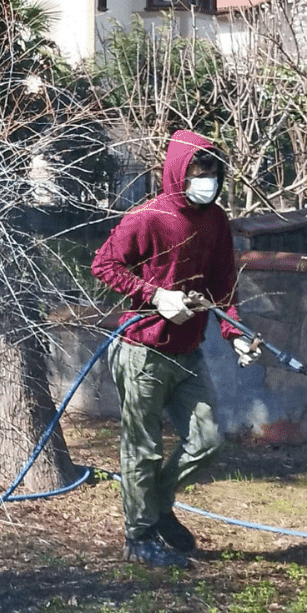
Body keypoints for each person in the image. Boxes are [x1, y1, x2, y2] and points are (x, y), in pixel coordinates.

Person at [90, 129, 259, 569]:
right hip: (143, 350)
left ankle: (159, 508)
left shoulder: (215, 220)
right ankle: (139, 535)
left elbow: (224, 285)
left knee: (206, 440)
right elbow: (103, 263)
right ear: (178, 172)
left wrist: (235, 333)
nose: (207, 181)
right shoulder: (149, 217)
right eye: (198, 172)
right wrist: (154, 295)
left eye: (213, 173)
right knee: (142, 449)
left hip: (189, 351)